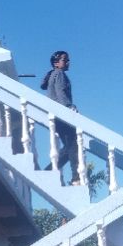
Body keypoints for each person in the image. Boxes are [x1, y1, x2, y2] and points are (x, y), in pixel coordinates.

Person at [41, 51, 80, 184]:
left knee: (70, 147)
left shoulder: (54, 75)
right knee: (73, 145)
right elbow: (60, 92)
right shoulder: (59, 74)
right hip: (61, 115)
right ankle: (76, 177)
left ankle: (48, 171)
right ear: (56, 63)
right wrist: (69, 107)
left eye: (68, 60)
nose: (68, 62)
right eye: (65, 60)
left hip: (56, 116)